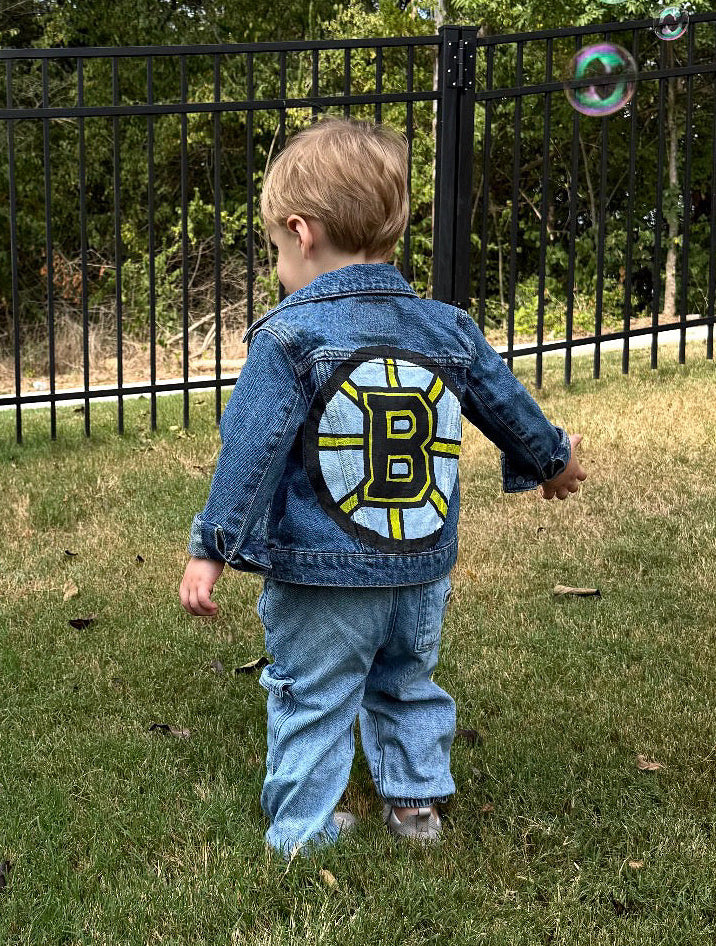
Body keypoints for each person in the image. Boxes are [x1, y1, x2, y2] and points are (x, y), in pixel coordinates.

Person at [179, 117, 586, 858]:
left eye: (274, 249)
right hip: (421, 562)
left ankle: (300, 832)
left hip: (323, 572)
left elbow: (251, 448)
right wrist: (552, 460)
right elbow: (508, 406)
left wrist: (212, 545)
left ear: (300, 233)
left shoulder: (287, 336)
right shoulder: (447, 327)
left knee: (313, 691)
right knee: (406, 680)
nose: (277, 266)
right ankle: (415, 809)